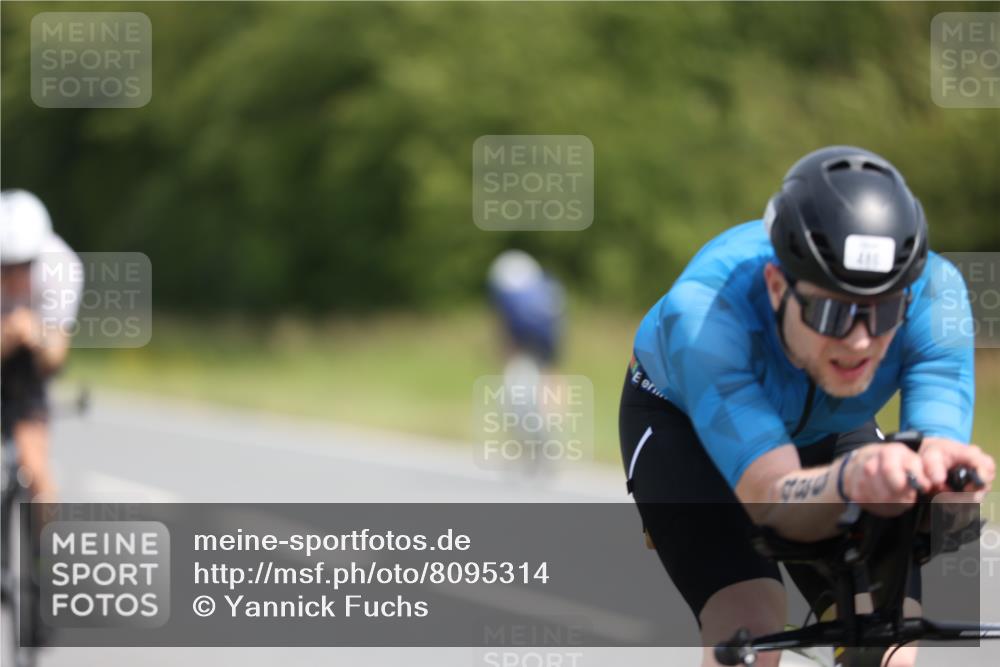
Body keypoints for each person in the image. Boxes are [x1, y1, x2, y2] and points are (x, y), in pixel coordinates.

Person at [618, 146, 996, 667]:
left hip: (832, 426)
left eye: (883, 312)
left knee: (885, 642)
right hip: (686, 428)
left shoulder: (936, 295)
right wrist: (849, 482)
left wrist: (947, 494)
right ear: (778, 287)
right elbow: (773, 502)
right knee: (748, 628)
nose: (860, 342)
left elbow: (936, 458)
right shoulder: (707, 317)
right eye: (831, 312)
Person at [1, 189, 82, 506]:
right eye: (4, 267)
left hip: (29, 367)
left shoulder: (61, 268)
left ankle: (45, 549)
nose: (12, 277)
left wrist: (38, 335)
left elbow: (55, 357)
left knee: (35, 468)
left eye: (23, 266)